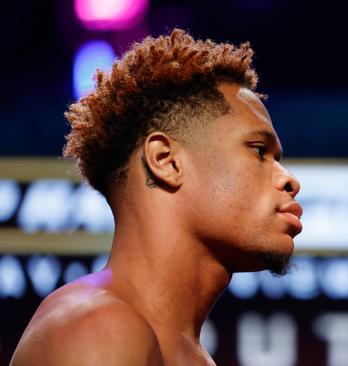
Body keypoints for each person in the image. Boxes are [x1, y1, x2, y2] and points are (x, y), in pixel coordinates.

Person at [11, 29, 302, 365]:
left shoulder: (186, 354)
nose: (289, 180)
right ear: (166, 160)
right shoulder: (98, 326)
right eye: (258, 150)